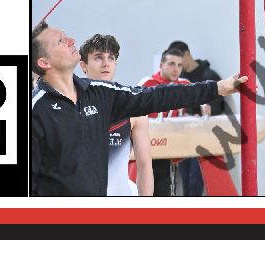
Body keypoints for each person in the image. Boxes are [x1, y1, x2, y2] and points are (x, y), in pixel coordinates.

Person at [31, 23, 246, 196]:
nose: (71, 40)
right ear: (44, 62)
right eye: (61, 41)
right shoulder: (36, 110)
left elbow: (159, 96)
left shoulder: (101, 93)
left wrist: (217, 88)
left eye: (67, 36)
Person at [78, 32, 153, 196]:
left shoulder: (133, 107)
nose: (106, 63)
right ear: (83, 66)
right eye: (98, 57)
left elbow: (144, 164)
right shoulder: (70, 105)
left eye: (111, 58)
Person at [167, 40, 227, 197]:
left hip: (203, 137)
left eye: (179, 62)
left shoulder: (209, 76)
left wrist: (203, 112)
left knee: (195, 183)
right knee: (185, 181)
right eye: (173, 63)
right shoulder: (179, 80)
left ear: (187, 54)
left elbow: (218, 106)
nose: (177, 67)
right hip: (184, 136)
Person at [142, 49, 195, 197]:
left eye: (179, 65)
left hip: (168, 150)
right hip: (147, 149)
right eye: (171, 64)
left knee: (165, 190)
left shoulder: (185, 85)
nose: (176, 69)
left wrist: (203, 107)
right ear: (161, 65)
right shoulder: (148, 84)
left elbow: (199, 102)